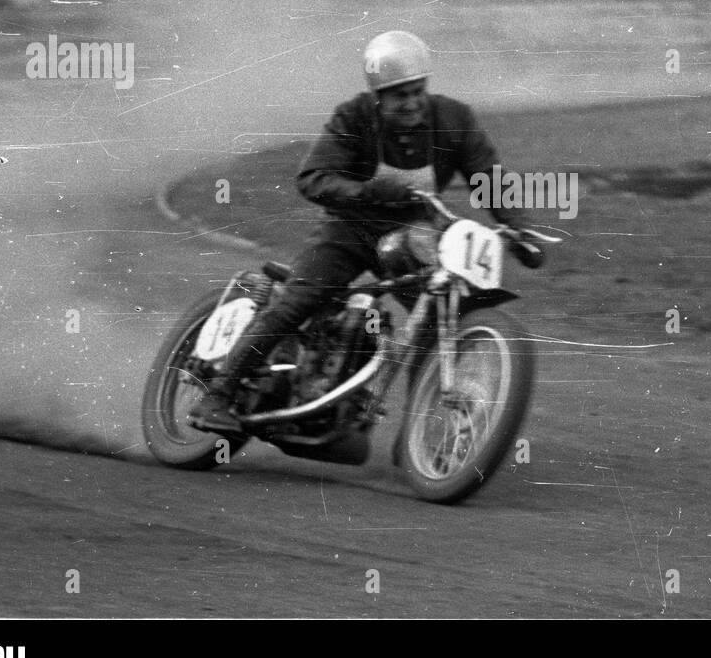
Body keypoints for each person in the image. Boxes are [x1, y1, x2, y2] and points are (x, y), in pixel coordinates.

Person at [189, 30, 541, 433]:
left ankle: (415, 433)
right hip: (349, 229)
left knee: (438, 317)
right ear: (378, 95)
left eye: (417, 91)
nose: (411, 103)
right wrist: (368, 191)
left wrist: (520, 229)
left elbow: (490, 180)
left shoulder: (454, 120)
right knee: (301, 299)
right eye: (399, 96)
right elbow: (313, 178)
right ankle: (217, 395)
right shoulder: (354, 116)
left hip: (413, 237)